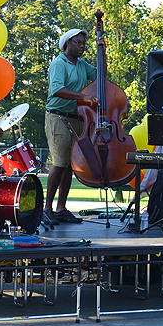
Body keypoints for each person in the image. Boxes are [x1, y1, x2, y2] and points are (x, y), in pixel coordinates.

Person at [43, 28, 104, 225]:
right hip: (58, 117)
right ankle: (47, 209)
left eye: (84, 43)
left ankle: (61, 209)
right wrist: (84, 97)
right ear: (67, 43)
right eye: (78, 42)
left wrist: (102, 51)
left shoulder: (82, 64)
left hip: (77, 118)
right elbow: (57, 89)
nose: (82, 46)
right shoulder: (59, 63)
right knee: (60, 163)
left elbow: (101, 75)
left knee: (70, 165)